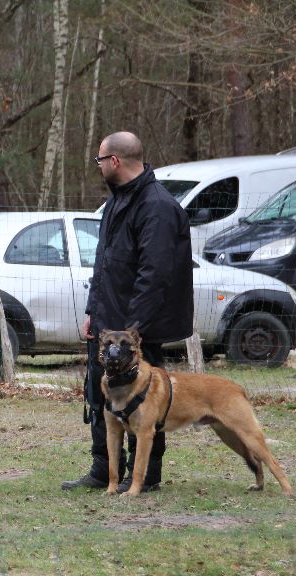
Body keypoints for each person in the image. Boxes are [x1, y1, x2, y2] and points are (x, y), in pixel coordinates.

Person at [62, 131, 194, 493]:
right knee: (101, 394)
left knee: (143, 402)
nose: (99, 166)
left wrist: (132, 334)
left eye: (100, 160)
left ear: (115, 162)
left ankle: (146, 474)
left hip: (136, 331)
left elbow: (156, 275)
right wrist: (93, 311)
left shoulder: (156, 207)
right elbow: (105, 264)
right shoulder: (117, 203)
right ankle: (104, 469)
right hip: (108, 323)